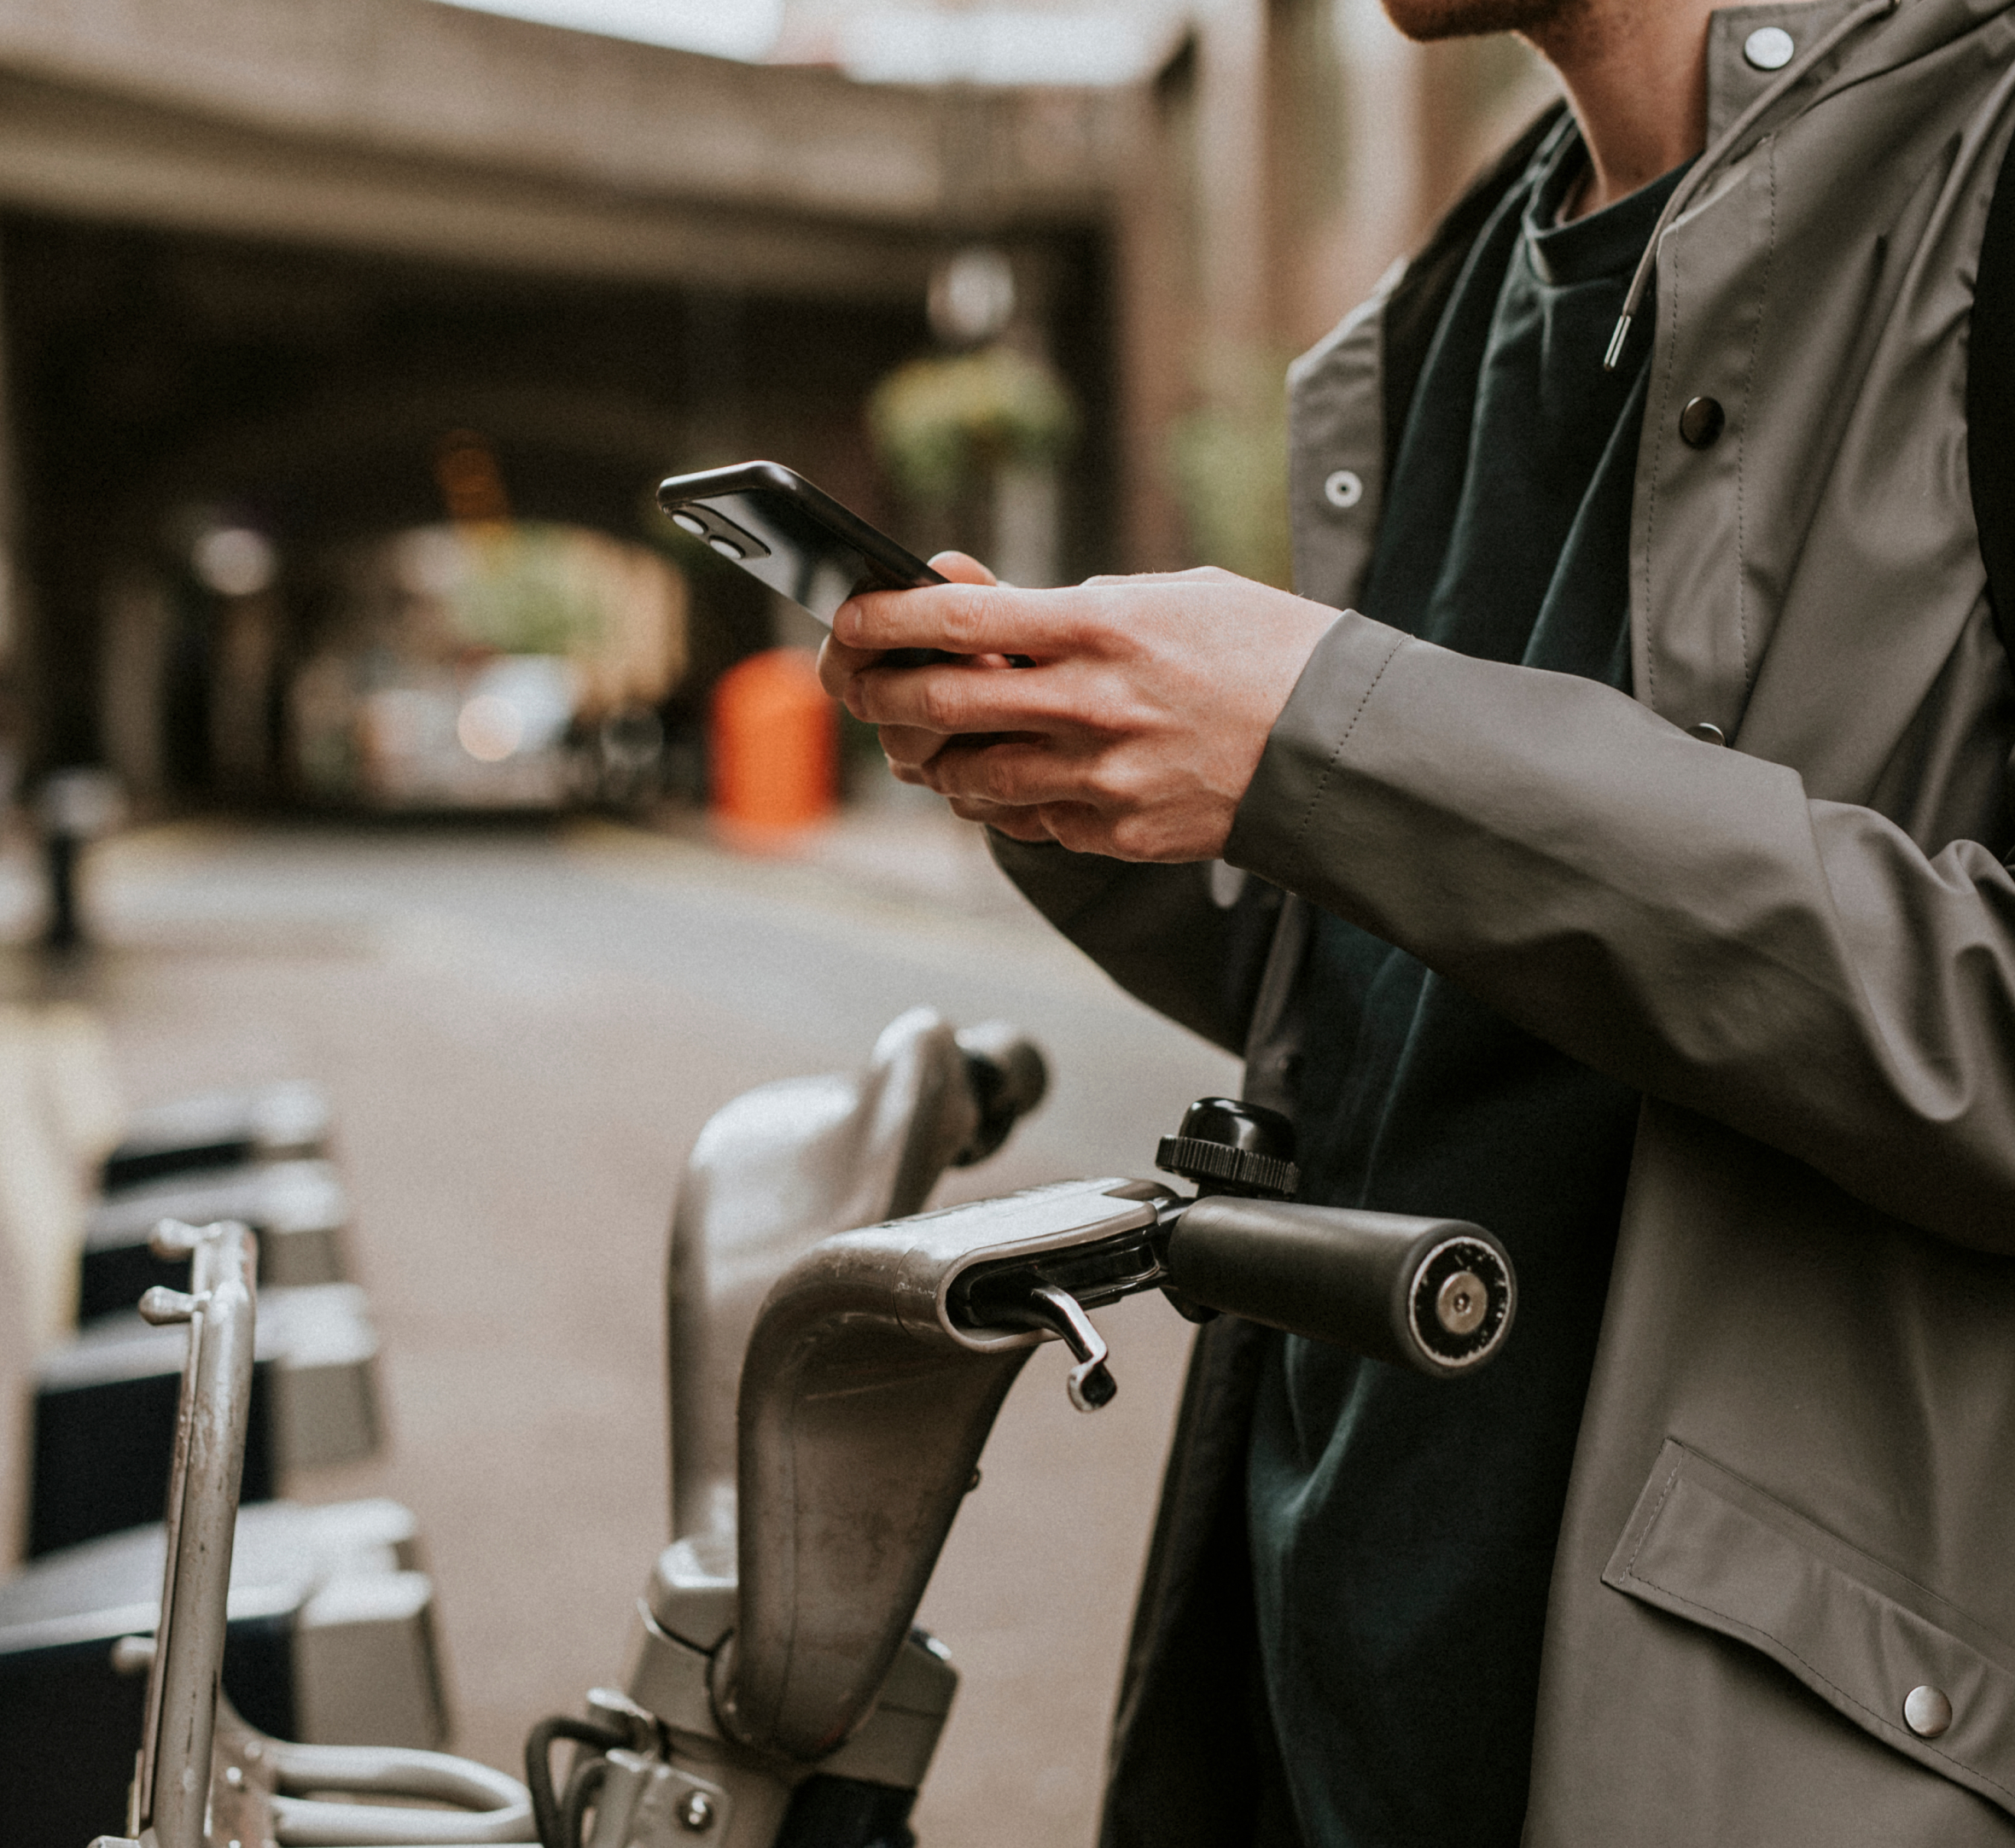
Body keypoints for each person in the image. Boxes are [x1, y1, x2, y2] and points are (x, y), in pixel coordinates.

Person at [820, 0, 2015, 1839]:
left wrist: (1337, 750)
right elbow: (1412, 999)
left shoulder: (1981, 175)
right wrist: (1083, 774)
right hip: (1313, 1715)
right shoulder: (1452, 298)